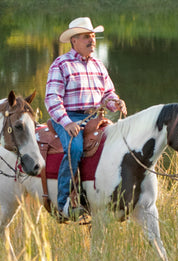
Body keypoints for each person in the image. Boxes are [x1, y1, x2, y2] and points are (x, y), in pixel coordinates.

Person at [45, 17, 127, 219]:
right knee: (75, 148)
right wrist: (67, 122)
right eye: (86, 37)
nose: (92, 40)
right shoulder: (61, 64)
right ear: (74, 41)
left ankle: (104, 196)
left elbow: (108, 94)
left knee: (117, 143)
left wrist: (115, 103)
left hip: (94, 117)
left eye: (93, 36)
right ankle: (63, 204)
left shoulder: (99, 65)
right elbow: (52, 99)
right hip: (67, 116)